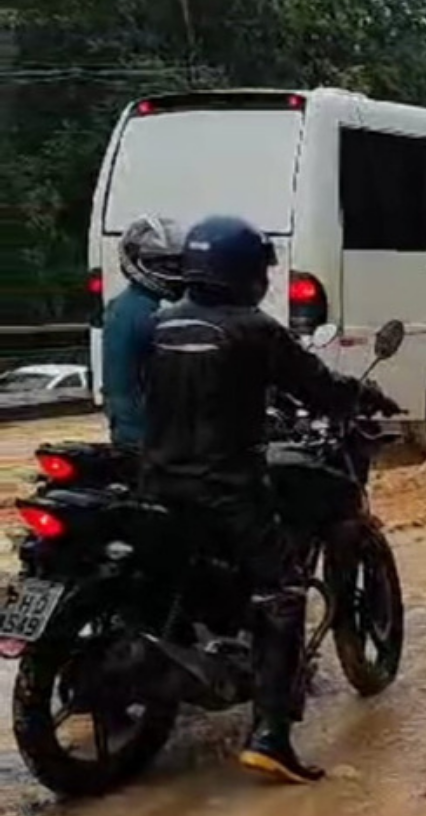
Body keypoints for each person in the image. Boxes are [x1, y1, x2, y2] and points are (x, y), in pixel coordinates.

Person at [140, 214, 400, 784]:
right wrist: (364, 396)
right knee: (282, 590)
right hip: (226, 489)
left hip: (156, 482)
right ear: (243, 272)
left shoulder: (162, 325)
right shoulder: (253, 329)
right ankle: (271, 736)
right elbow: (316, 385)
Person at [102, 215, 186, 448]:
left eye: (178, 263)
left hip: (154, 434)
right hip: (148, 437)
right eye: (163, 264)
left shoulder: (138, 306)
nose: (173, 270)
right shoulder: (137, 311)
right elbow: (123, 384)